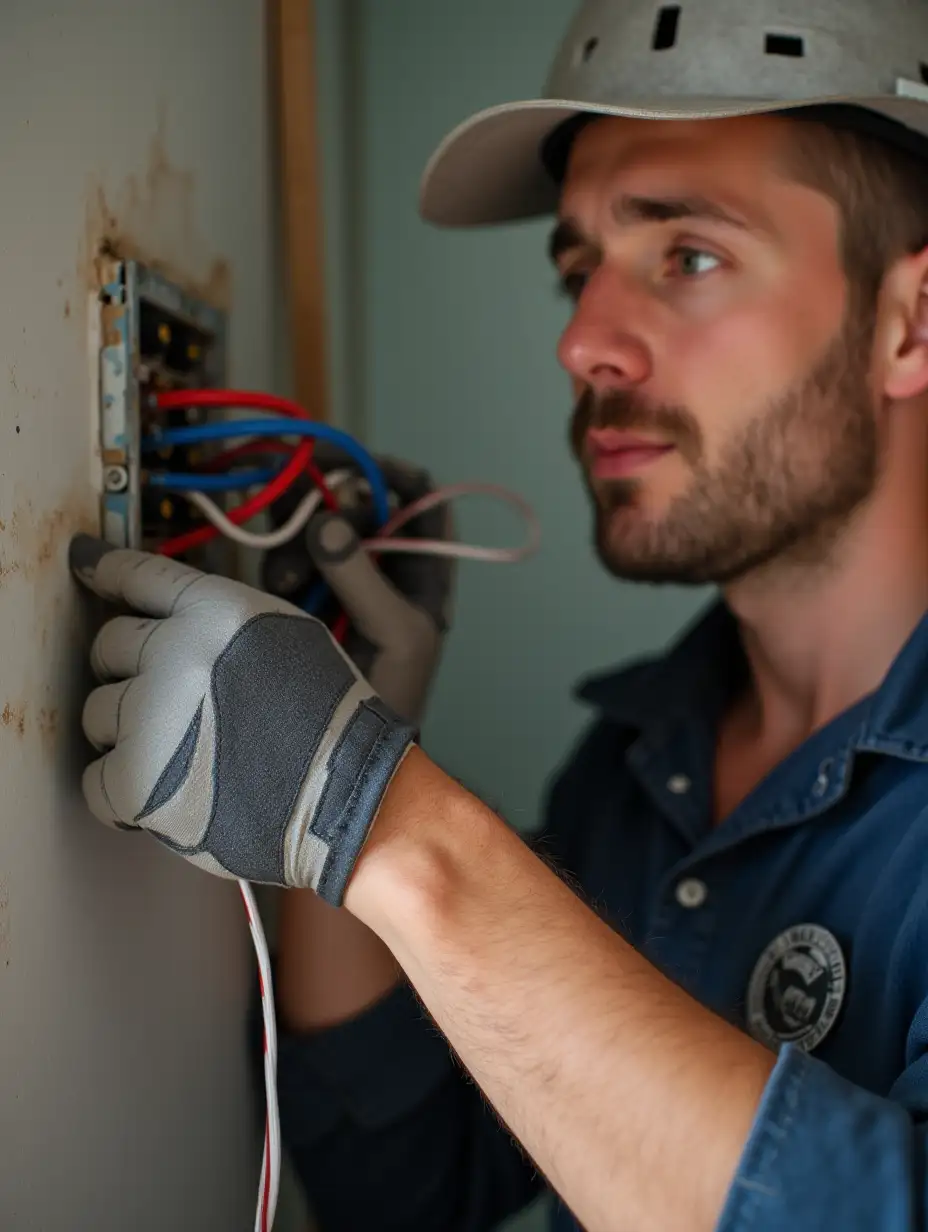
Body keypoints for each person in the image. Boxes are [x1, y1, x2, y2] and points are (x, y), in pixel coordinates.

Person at [69, 0, 928, 1227]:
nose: (584, 341)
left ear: (910, 319)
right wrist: (351, 772)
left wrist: (383, 817)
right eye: (579, 271)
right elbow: (411, 1181)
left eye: (686, 254)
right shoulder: (639, 774)